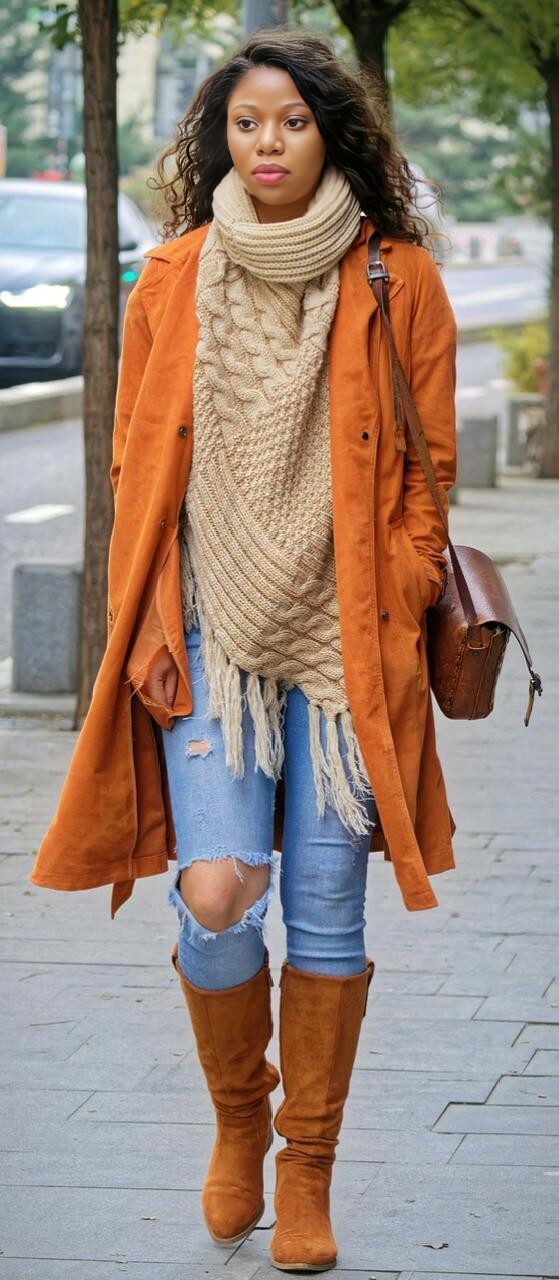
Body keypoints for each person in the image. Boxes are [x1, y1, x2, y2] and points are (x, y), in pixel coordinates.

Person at [29, 24, 458, 1276]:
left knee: (325, 909)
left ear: (332, 133)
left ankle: (305, 1164)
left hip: (346, 639)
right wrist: (148, 623)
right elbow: (136, 466)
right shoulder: (173, 275)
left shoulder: (396, 278)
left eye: (293, 121)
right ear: (220, 136)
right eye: (246, 122)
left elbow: (428, 473)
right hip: (210, 631)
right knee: (217, 890)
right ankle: (237, 1114)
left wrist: (406, 581)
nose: (268, 143)